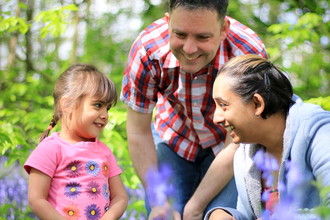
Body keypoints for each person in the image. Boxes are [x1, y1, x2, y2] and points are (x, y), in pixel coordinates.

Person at [120, 0, 268, 219]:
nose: (189, 49)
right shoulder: (146, 51)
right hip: (172, 137)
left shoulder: (248, 55)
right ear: (168, 22)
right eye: (179, 34)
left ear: (223, 30)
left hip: (229, 144)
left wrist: (196, 206)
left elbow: (236, 143)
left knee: (220, 215)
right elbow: (137, 131)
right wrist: (159, 202)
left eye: (202, 37)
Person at [206, 54, 330, 220]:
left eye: (223, 105)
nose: (216, 118)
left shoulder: (318, 133)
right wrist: (225, 215)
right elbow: (252, 216)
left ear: (257, 104)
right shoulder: (244, 156)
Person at [24, 64, 128, 220]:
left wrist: (109, 217)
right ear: (67, 104)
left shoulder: (105, 152)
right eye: (98, 105)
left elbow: (120, 196)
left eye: (108, 108)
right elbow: (36, 200)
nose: (105, 115)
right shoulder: (51, 148)